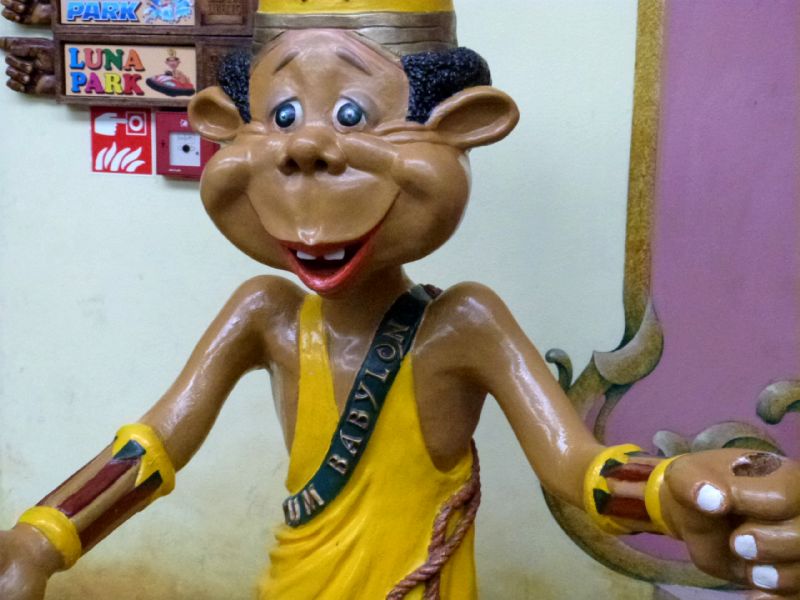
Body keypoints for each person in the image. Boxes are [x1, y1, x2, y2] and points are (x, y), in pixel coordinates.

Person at [2, 1, 800, 598]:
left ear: (461, 127)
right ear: (226, 127)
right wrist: (40, 541)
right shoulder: (263, 314)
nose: (308, 148)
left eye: (353, 114)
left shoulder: (465, 324)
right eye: (283, 115)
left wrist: (674, 494)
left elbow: (577, 470)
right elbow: (153, 447)